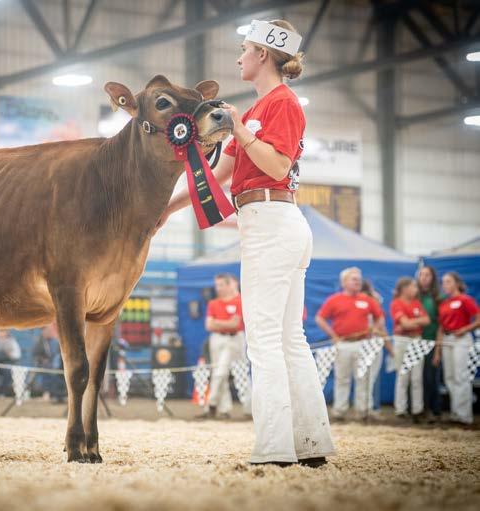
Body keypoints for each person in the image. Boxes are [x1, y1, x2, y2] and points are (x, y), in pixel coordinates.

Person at [159, 19, 334, 466]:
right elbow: (219, 174)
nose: (239, 57)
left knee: (265, 340)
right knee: (289, 338)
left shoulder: (282, 103)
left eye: (244, 49)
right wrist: (167, 209)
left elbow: (277, 166)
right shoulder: (256, 109)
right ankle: (312, 444)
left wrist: (240, 129)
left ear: (263, 54)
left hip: (272, 220)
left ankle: (275, 448)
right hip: (269, 222)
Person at [315, 267, 393, 420]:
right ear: (344, 282)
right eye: (354, 279)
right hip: (342, 344)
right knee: (342, 378)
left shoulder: (367, 300)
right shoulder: (334, 299)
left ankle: (363, 411)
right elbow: (320, 318)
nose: (358, 282)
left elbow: (380, 317)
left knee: (364, 378)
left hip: (363, 344)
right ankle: (339, 411)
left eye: (359, 279)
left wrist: (373, 330)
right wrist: (333, 336)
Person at [199, 273, 250, 420]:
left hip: (235, 339)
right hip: (217, 339)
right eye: (217, 285)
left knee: (228, 373)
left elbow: (236, 324)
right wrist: (226, 323)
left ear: (229, 285)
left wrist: (217, 322)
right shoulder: (213, 303)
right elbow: (208, 325)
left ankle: (212, 404)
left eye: (221, 285)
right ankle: (224, 410)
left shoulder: (240, 301)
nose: (218, 288)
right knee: (220, 373)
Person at [432, 272, 479, 425]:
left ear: (457, 283)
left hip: (461, 340)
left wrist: (465, 329)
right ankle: (455, 413)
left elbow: (478, 318)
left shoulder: (465, 299)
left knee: (461, 377)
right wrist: (437, 351)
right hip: (447, 340)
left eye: (448, 281)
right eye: (443, 282)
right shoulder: (444, 304)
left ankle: (464, 416)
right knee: (449, 378)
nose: (445, 285)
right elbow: (441, 328)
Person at [390, 277, 430, 421]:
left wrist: (410, 323)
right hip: (402, 341)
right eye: (413, 286)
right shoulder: (396, 303)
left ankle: (417, 410)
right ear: (404, 288)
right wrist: (415, 323)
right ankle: (400, 409)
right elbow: (405, 324)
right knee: (403, 375)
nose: (416, 290)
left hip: (417, 340)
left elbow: (427, 320)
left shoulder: (416, 303)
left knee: (417, 377)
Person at [417, 266, 442, 422]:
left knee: (431, 377)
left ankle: (435, 411)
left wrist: (438, 350)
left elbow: (441, 325)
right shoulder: (414, 296)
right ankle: (419, 410)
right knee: (417, 379)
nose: (424, 277)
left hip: (432, 343)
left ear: (433, 278)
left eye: (427, 275)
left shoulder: (438, 298)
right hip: (415, 344)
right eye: (421, 274)